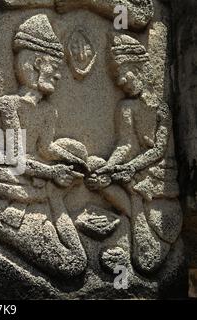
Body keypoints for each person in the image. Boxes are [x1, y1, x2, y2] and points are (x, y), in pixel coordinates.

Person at [0, 14, 87, 277]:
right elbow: (16, 158)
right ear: (37, 63)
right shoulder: (8, 105)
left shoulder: (47, 111)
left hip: (39, 187)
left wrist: (76, 162)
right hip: (11, 195)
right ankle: (0, 267)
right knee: (72, 263)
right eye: (55, 66)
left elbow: (47, 148)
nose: (59, 76)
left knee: (76, 261)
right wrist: (53, 173)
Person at [87, 35, 182, 273]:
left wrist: (131, 168)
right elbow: (125, 145)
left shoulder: (161, 108)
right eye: (117, 76)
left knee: (132, 185)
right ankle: (132, 216)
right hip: (133, 169)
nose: (121, 80)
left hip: (158, 172)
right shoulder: (125, 108)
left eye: (125, 72)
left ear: (142, 68)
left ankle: (134, 218)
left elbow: (158, 150)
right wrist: (108, 168)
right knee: (96, 164)